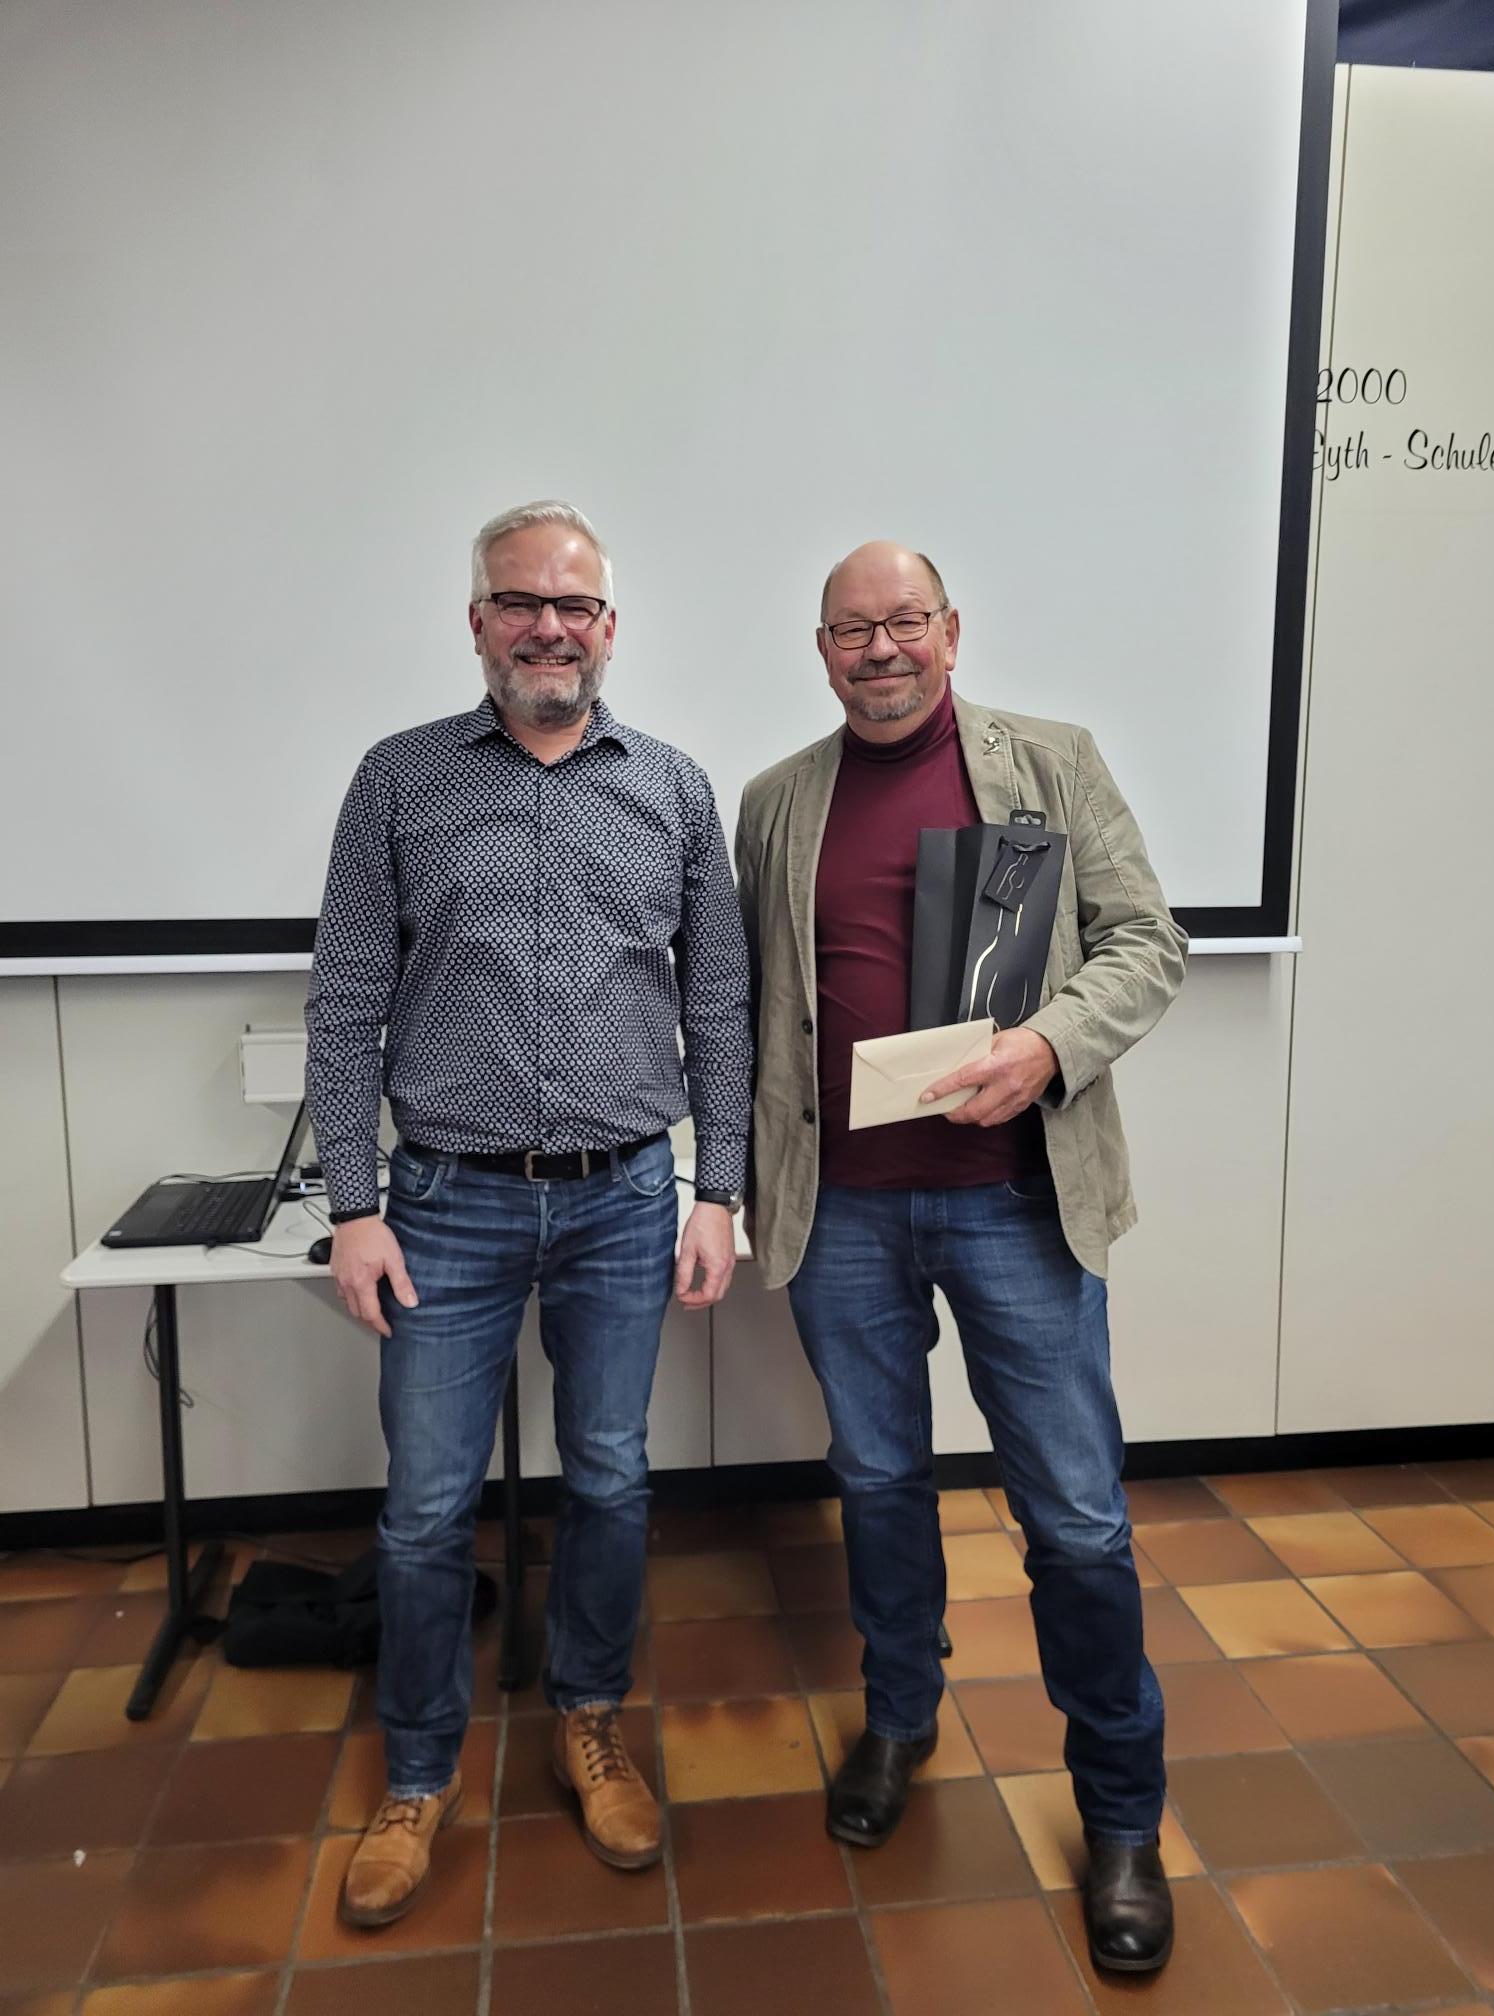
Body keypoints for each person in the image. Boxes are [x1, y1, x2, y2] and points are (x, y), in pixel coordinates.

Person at [733, 540, 1186, 1974]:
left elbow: (1147, 944)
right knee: (877, 1486)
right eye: (851, 629)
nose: (881, 648)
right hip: (844, 1215)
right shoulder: (775, 803)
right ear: (821, 652)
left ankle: (1121, 1818)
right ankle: (902, 1718)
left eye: (904, 621)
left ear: (949, 631)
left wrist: (1049, 1043)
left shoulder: (1050, 763)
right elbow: (752, 1009)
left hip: (1014, 1204)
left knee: (1075, 1520)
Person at [305, 500, 750, 1926]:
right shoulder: (397, 781)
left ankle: (590, 1716)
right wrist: (354, 1206)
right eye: (518, 601)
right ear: (479, 620)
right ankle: (422, 1770)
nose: (546, 626)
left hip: (627, 1198)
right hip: (443, 1204)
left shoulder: (676, 788)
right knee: (427, 1509)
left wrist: (719, 1186)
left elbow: (722, 1004)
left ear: (610, 628)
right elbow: (348, 1002)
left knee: (611, 1480)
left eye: (573, 605)